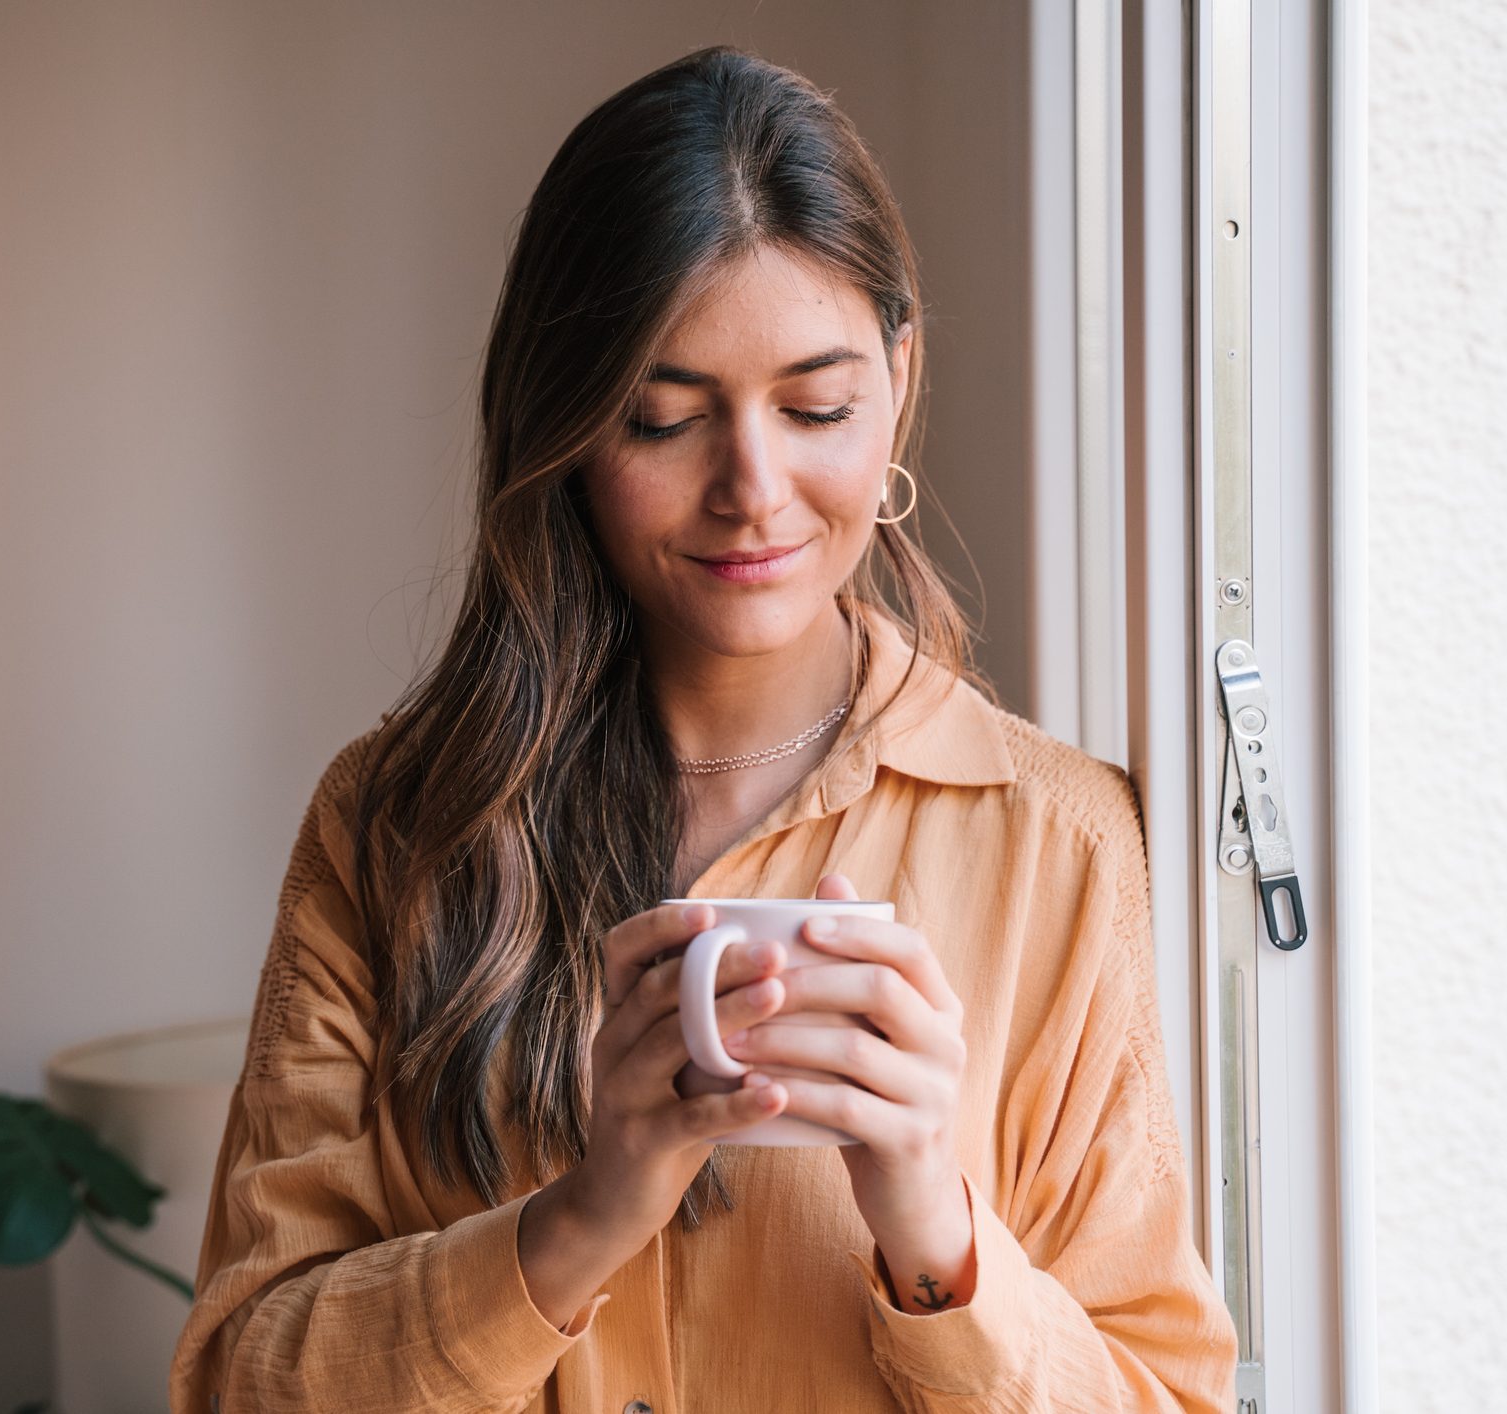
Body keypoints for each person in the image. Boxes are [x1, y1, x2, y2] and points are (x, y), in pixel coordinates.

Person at [169, 44, 1238, 1413]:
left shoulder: (1057, 840)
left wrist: (935, 1230)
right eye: (663, 418)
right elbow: (232, 1381)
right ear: (560, 427)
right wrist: (586, 1211)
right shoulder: (396, 825)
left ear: (898, 381)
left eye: (816, 407)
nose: (752, 489)